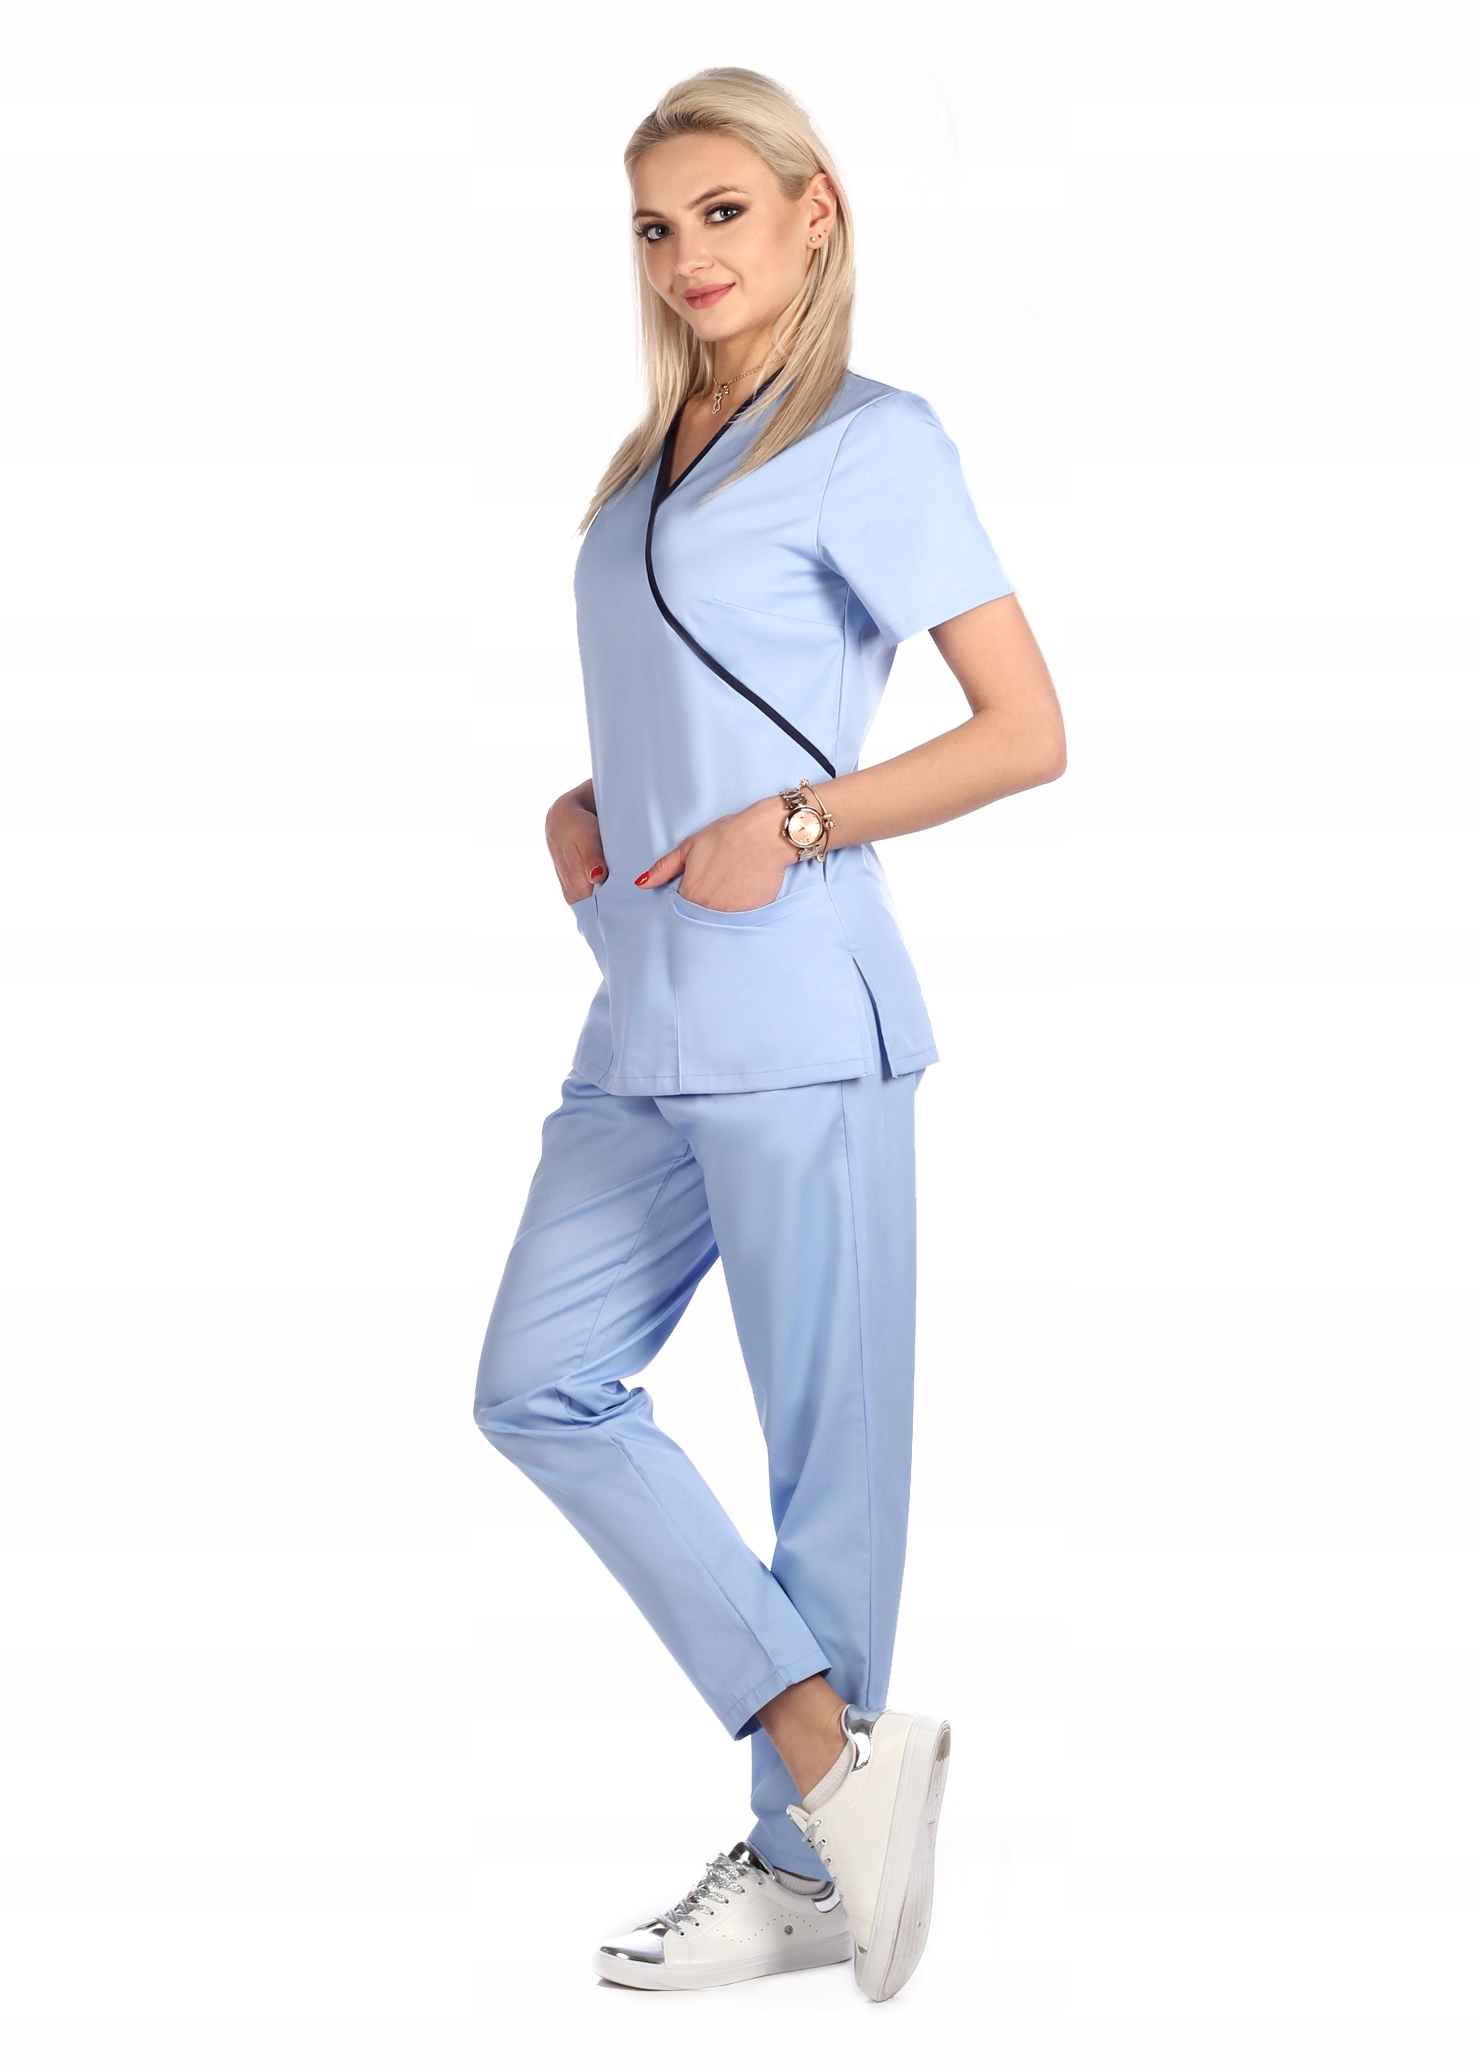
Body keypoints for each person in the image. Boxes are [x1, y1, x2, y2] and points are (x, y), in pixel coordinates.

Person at [473, 66, 1065, 2001]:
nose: (687, 255)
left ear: (817, 214)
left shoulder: (869, 442)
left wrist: (798, 822)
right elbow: (695, 695)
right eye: (657, 225)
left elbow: (1024, 731)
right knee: (537, 1385)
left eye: (723, 211)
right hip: (640, 1007)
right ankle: (834, 1756)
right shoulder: (651, 456)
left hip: (804, 1007)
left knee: (831, 1473)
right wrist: (594, 802)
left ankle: (808, 1870)